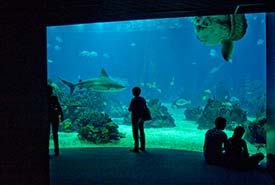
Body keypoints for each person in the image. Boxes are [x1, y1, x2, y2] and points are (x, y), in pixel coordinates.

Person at [128, 86, 148, 153]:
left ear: (133, 93)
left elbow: (130, 109)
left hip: (135, 118)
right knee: (142, 131)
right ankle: (143, 147)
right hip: (141, 118)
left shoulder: (134, 100)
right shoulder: (142, 99)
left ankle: (136, 148)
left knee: (135, 132)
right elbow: (145, 107)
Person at [48, 84, 64, 156]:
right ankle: (56, 151)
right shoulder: (54, 97)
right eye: (51, 90)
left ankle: (56, 150)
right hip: (53, 116)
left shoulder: (54, 97)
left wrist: (62, 116)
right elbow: (59, 107)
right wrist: (62, 116)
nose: (51, 91)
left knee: (54, 134)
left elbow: (59, 106)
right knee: (54, 134)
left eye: (51, 90)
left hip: (53, 117)